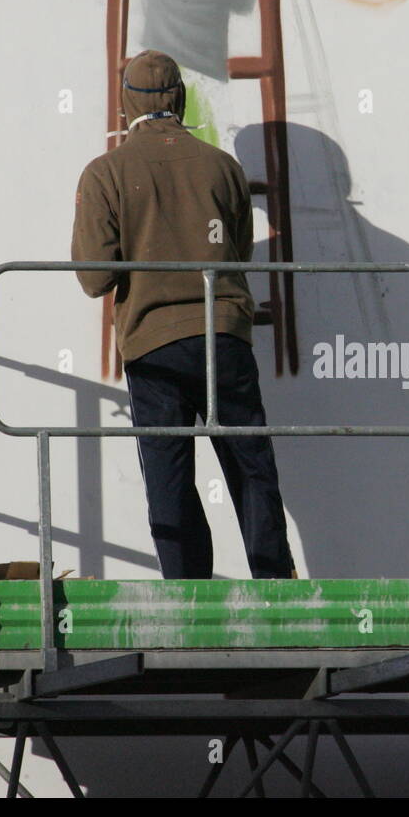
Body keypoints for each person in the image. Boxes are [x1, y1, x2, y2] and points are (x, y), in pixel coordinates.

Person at [70, 49, 296, 580]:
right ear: (182, 98)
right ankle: (275, 584)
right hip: (225, 336)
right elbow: (238, 258)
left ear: (126, 104)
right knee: (250, 466)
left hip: (154, 343)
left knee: (169, 476)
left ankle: (189, 595)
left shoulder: (105, 173)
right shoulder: (223, 166)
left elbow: (93, 277)